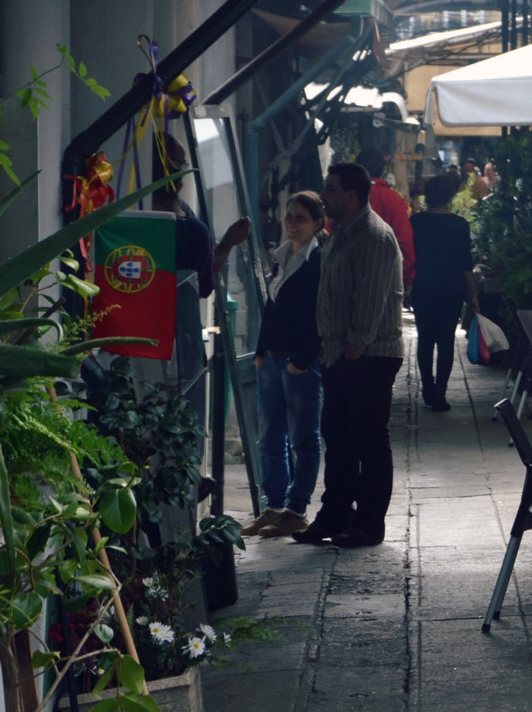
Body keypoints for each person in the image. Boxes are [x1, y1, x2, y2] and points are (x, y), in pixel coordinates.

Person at [294, 162, 404, 549]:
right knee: (338, 440)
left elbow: (370, 303)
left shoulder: (373, 236)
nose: (324, 196)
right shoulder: (340, 232)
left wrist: (353, 348)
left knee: (369, 442)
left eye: (331, 190)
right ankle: (336, 514)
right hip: (339, 354)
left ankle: (369, 524)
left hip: (368, 356)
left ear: (352, 196)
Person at [244, 192, 326, 539]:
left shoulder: (318, 261)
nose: (291, 223)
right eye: (289, 216)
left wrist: (302, 361)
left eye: (300, 218)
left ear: (318, 224)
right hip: (272, 358)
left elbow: (322, 315)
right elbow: (271, 307)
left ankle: (297, 509)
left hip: (298, 362)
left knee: (303, 437)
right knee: (269, 437)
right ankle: (274, 505)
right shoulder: (282, 256)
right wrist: (261, 350)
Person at [408, 173, 478, 411]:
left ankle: (428, 388)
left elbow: (409, 257)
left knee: (425, 340)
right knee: (446, 342)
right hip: (451, 290)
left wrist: (407, 286)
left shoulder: (416, 222)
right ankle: (440, 394)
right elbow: (466, 263)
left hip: (423, 288)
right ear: (450, 196)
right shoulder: (459, 225)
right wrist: (473, 294)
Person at [153, 134, 248, 299]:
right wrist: (228, 242)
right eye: (180, 165)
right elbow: (202, 284)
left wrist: (228, 241)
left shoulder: (130, 217)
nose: (183, 171)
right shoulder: (192, 230)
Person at [357, 147, 415, 294]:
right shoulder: (392, 199)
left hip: (346, 278)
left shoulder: (346, 197)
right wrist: (407, 278)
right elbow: (404, 241)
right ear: (382, 169)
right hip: (384, 280)